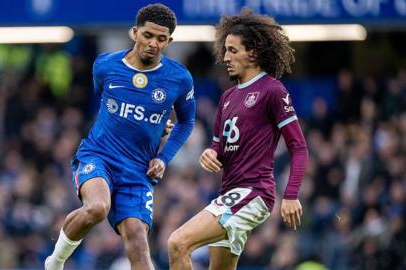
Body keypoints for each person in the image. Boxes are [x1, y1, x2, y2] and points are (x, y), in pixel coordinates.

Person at [45, 3, 196, 270]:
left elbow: (186, 122)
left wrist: (163, 157)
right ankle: (55, 263)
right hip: (99, 156)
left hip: (139, 171)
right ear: (134, 32)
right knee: (97, 207)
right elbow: (104, 102)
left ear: (170, 41)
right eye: (148, 35)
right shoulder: (105, 65)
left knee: (138, 240)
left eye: (161, 39)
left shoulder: (179, 78)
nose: (153, 43)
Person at [168, 8, 308, 270]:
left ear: (253, 53)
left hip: (253, 192)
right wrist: (210, 154)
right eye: (225, 50)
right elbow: (219, 148)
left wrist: (291, 194)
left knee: (177, 243)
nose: (225, 57)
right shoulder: (227, 97)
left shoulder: (272, 90)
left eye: (232, 50)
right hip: (230, 193)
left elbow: (298, 147)